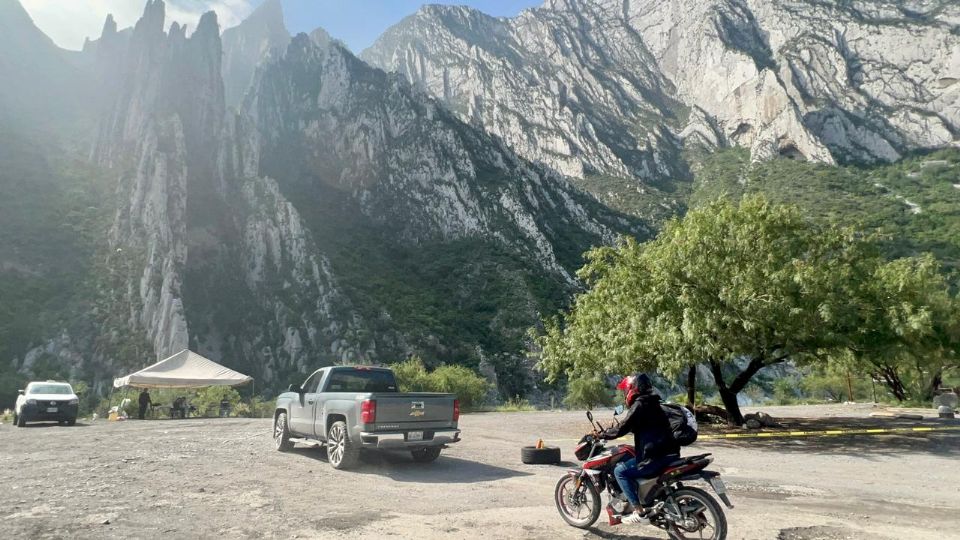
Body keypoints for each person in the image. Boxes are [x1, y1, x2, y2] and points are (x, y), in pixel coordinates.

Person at [600, 373, 680, 524]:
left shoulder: (640, 404)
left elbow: (622, 427)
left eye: (626, 390)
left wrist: (604, 435)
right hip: (671, 453)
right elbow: (642, 425)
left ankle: (639, 511)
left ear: (633, 389)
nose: (625, 393)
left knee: (620, 471)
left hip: (654, 457)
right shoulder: (654, 403)